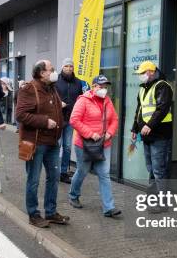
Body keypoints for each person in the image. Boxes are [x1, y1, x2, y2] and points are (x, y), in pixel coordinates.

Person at [16, 60, 70, 228]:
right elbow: (21, 115)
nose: (54, 72)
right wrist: (45, 122)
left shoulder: (52, 88)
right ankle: (33, 214)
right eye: (51, 69)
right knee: (33, 180)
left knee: (53, 178)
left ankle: (51, 212)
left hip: (53, 143)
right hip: (36, 143)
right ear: (41, 73)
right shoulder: (29, 89)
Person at [68, 75, 121, 218]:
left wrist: (110, 132)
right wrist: (90, 134)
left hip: (104, 144)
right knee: (82, 171)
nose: (103, 89)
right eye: (100, 86)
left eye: (105, 87)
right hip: (84, 144)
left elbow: (114, 119)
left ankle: (109, 208)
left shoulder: (107, 101)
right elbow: (74, 120)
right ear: (93, 87)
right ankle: (73, 195)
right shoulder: (83, 100)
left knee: (104, 174)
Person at [131, 61, 173, 196]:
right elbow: (139, 110)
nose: (141, 76)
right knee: (151, 168)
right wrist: (134, 129)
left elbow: (162, 109)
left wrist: (149, 125)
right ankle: (153, 196)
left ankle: (162, 201)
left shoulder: (162, 86)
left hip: (160, 134)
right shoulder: (143, 88)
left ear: (151, 72)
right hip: (147, 134)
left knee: (159, 169)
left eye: (143, 73)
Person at [55, 58, 83, 184]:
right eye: (66, 66)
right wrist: (57, 102)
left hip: (71, 119)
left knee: (67, 147)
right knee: (57, 145)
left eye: (71, 66)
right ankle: (54, 171)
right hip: (58, 118)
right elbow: (49, 95)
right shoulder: (55, 81)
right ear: (62, 67)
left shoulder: (78, 83)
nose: (68, 68)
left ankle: (63, 172)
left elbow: (81, 98)